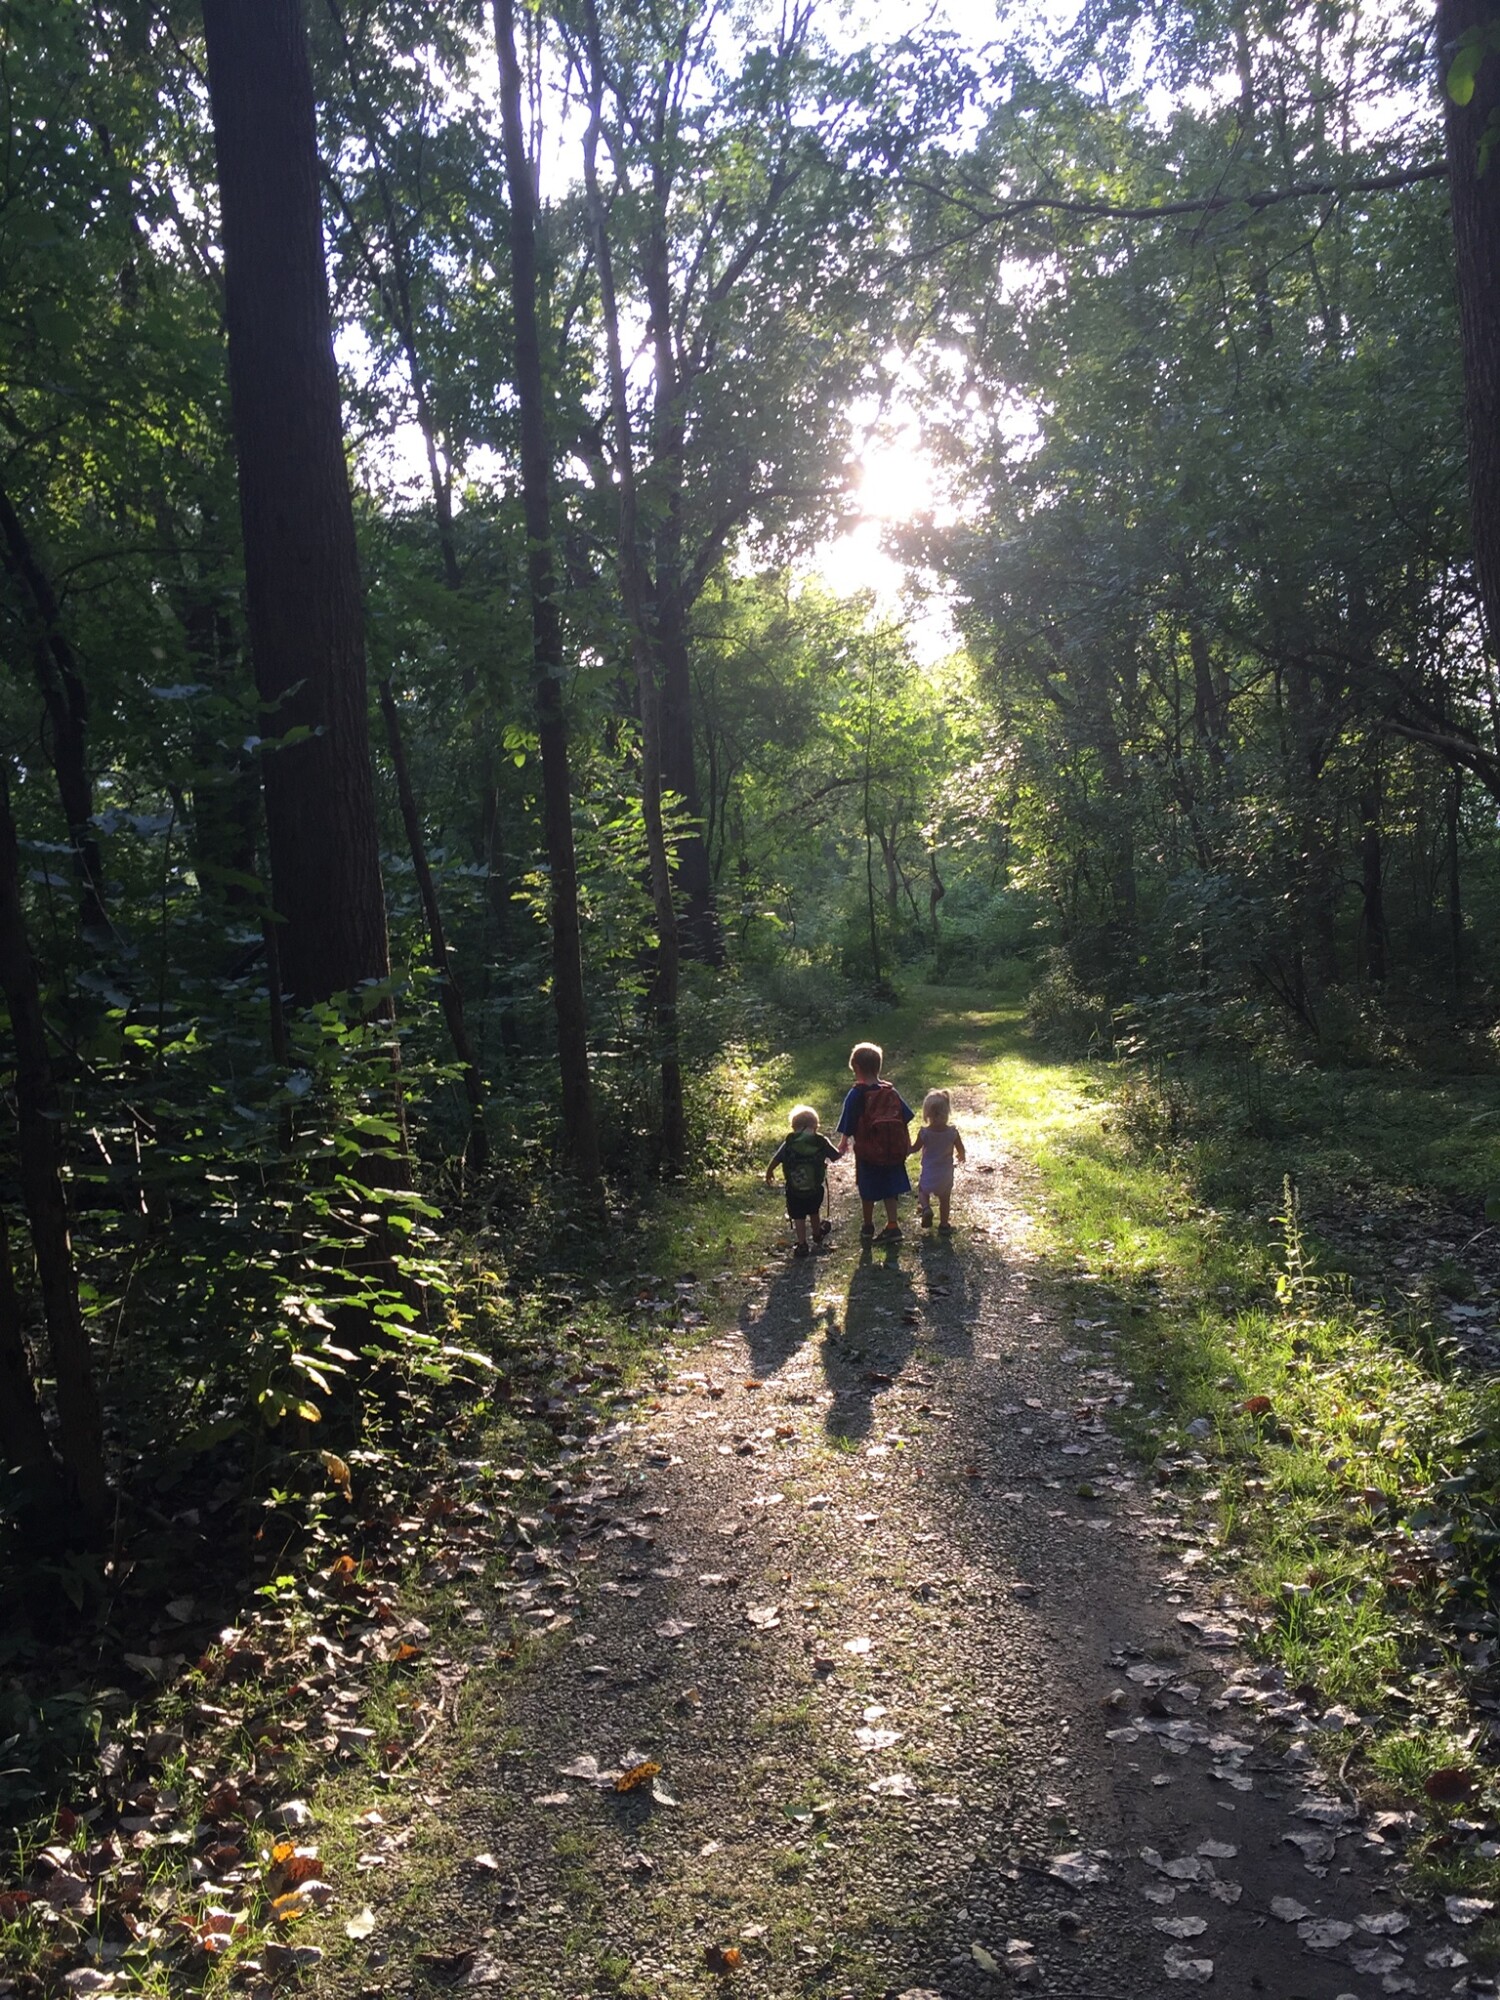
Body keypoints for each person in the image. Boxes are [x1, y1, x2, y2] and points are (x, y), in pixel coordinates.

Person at [835, 1041, 914, 1242]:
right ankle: (893, 1225)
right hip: (892, 1150)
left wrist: (843, 1142)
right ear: (878, 1067)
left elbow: (848, 1121)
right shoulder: (891, 1091)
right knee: (891, 1189)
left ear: (857, 1068)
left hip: (868, 1152)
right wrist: (906, 1142)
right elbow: (904, 1117)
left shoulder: (856, 1094)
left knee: (867, 1189)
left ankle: (868, 1226)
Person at [765, 1104, 840, 1257]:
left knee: (798, 1216)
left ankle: (802, 1244)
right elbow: (835, 1156)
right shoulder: (820, 1141)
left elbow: (777, 1158)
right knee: (814, 1211)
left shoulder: (790, 1143)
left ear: (794, 1126)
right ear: (815, 1126)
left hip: (794, 1189)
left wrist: (769, 1171)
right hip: (814, 1188)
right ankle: (817, 1234)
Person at [910, 1088, 966, 1233]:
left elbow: (914, 1148)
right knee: (945, 1199)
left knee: (922, 1191)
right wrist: (961, 1156)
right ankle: (944, 1225)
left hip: (929, 1172)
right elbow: (961, 1148)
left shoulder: (924, 1133)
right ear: (947, 1112)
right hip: (945, 1173)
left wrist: (905, 1149)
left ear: (927, 1113)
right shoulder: (952, 1132)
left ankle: (926, 1208)